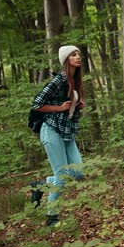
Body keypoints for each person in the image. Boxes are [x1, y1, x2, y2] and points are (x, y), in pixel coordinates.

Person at [30, 45, 86, 226]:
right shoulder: (59, 80)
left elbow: (68, 109)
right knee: (61, 175)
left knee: (78, 172)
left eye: (78, 54)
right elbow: (37, 104)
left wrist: (77, 106)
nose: (78, 57)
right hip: (51, 130)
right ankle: (51, 218)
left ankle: (41, 184)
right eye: (74, 55)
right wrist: (59, 108)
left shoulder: (74, 81)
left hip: (67, 133)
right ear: (65, 60)